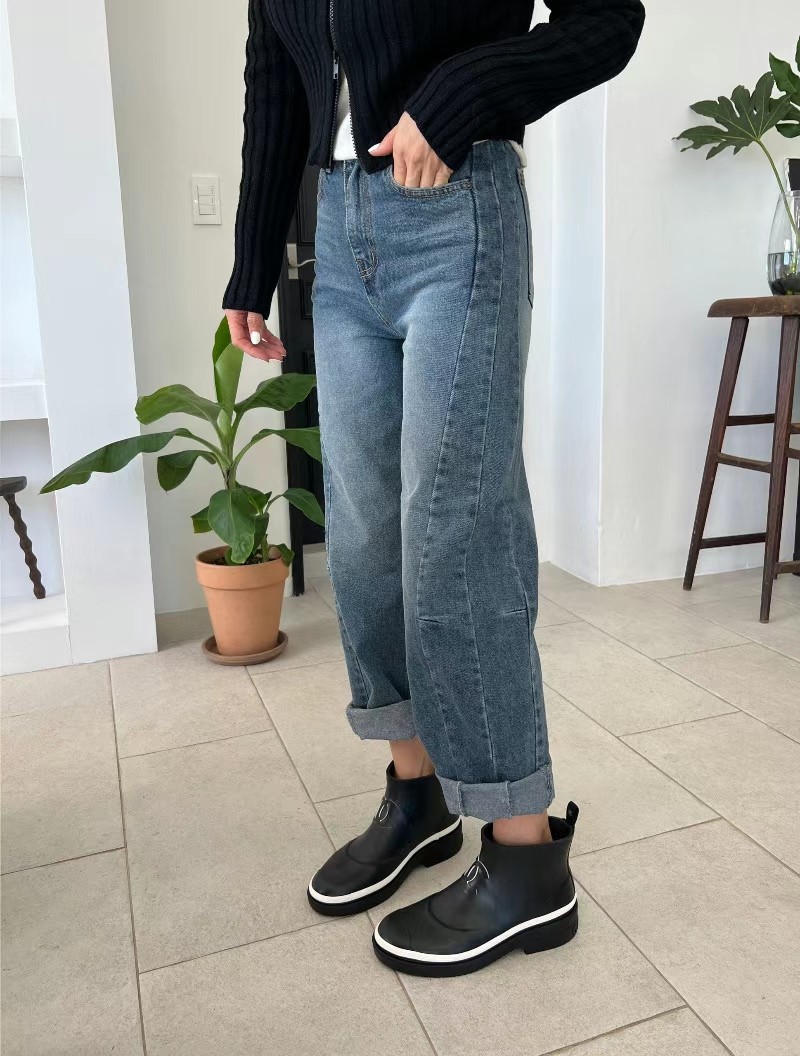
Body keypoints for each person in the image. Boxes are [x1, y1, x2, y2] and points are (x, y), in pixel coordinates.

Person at [224, 0, 645, 978]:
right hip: (339, 227)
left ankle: (525, 856)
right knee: (365, 532)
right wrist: (251, 259)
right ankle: (416, 793)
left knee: (457, 524)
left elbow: (608, 19)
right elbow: (274, 81)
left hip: (459, 206)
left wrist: (464, 92)